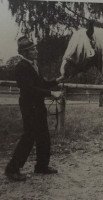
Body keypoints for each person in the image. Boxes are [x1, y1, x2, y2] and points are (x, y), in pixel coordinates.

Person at [5, 36, 64, 181]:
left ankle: (41, 166)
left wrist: (57, 80)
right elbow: (29, 89)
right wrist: (51, 93)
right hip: (29, 106)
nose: (36, 51)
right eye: (33, 49)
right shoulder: (21, 67)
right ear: (25, 52)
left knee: (43, 135)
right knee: (29, 136)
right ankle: (12, 169)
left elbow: (41, 83)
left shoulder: (33, 65)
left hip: (37, 105)